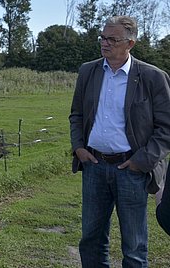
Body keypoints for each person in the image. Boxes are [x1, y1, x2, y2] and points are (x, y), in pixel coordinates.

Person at [69, 15, 170, 267]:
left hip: (131, 170)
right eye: (103, 37)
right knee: (91, 240)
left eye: (112, 39)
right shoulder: (88, 71)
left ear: (130, 44)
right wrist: (79, 147)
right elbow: (77, 114)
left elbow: (166, 127)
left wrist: (142, 161)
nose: (105, 43)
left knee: (134, 246)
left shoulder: (153, 77)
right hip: (94, 166)